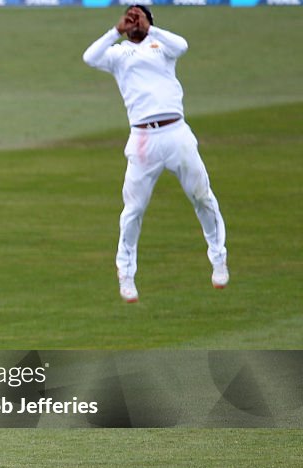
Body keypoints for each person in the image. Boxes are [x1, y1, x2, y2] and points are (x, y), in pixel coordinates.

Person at [83, 5, 228, 303]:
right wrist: (116, 31)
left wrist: (151, 29)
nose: (134, 20)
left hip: (176, 132)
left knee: (202, 196)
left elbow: (183, 45)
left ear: (149, 20)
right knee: (133, 210)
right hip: (142, 138)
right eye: (130, 15)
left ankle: (218, 258)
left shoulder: (162, 46)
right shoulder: (118, 54)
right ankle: (126, 275)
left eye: (139, 15)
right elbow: (90, 57)